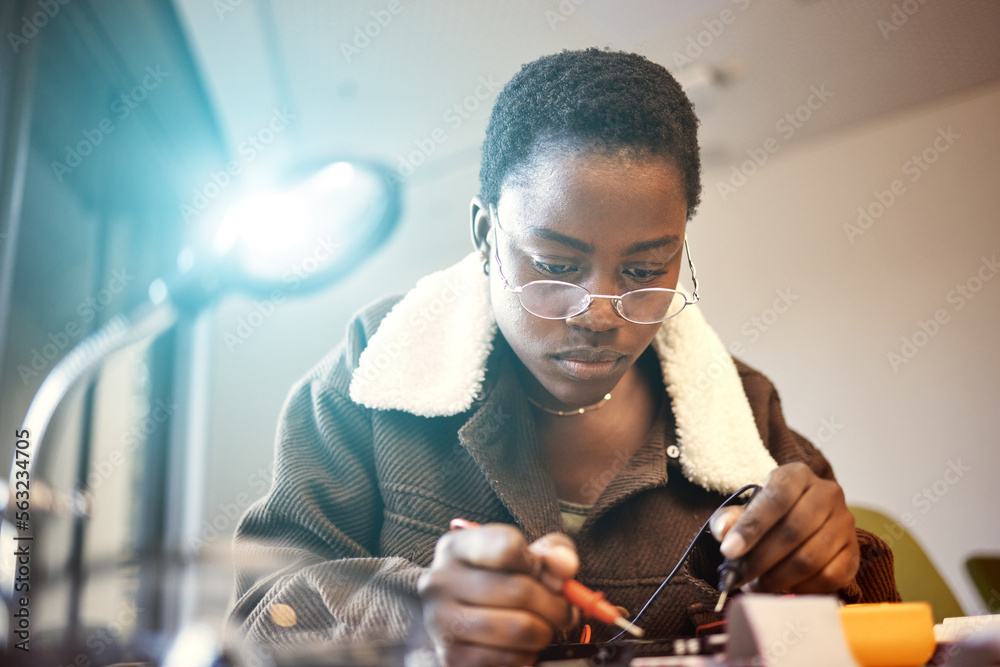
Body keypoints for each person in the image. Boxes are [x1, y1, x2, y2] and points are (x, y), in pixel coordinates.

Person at [229, 48, 899, 666]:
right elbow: (259, 613)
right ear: (487, 234)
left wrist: (838, 568)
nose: (598, 313)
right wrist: (413, 616)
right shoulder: (373, 373)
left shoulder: (747, 413)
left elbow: (882, 631)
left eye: (644, 269)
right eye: (555, 263)